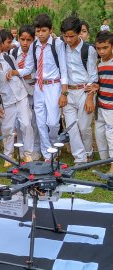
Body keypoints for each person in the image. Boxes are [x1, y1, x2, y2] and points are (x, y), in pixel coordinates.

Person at [18, 14, 68, 161]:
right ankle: (47, 153)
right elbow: (28, 68)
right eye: (38, 31)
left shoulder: (57, 44)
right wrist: (14, 72)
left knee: (52, 122)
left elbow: (64, 70)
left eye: (44, 30)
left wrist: (64, 93)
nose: (40, 34)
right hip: (39, 87)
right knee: (40, 122)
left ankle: (54, 144)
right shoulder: (34, 46)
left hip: (54, 85)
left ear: (51, 30)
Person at [0, 34, 33, 167]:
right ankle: (8, 155)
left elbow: (17, 72)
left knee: (26, 125)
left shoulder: (8, 57)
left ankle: (27, 153)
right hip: (6, 101)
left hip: (21, 95)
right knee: (7, 128)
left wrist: (14, 72)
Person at [60, 16, 98, 165]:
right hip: (68, 92)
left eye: (72, 36)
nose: (68, 40)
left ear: (79, 33)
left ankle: (88, 152)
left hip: (84, 91)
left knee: (84, 127)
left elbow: (93, 75)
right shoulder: (61, 47)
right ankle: (80, 158)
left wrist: (90, 97)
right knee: (71, 127)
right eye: (65, 36)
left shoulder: (88, 50)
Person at [11, 25, 41, 161]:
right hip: (18, 93)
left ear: (33, 40)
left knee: (34, 122)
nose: (25, 43)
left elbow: (42, 71)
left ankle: (35, 149)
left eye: (28, 40)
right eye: (22, 39)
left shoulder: (37, 53)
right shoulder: (13, 53)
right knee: (21, 122)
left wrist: (32, 75)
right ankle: (22, 150)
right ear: (18, 38)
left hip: (34, 91)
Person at [92, 31, 113, 174]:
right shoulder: (98, 63)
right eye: (98, 48)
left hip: (111, 107)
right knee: (99, 133)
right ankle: (104, 159)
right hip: (100, 105)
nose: (101, 51)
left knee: (111, 135)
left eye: (105, 48)